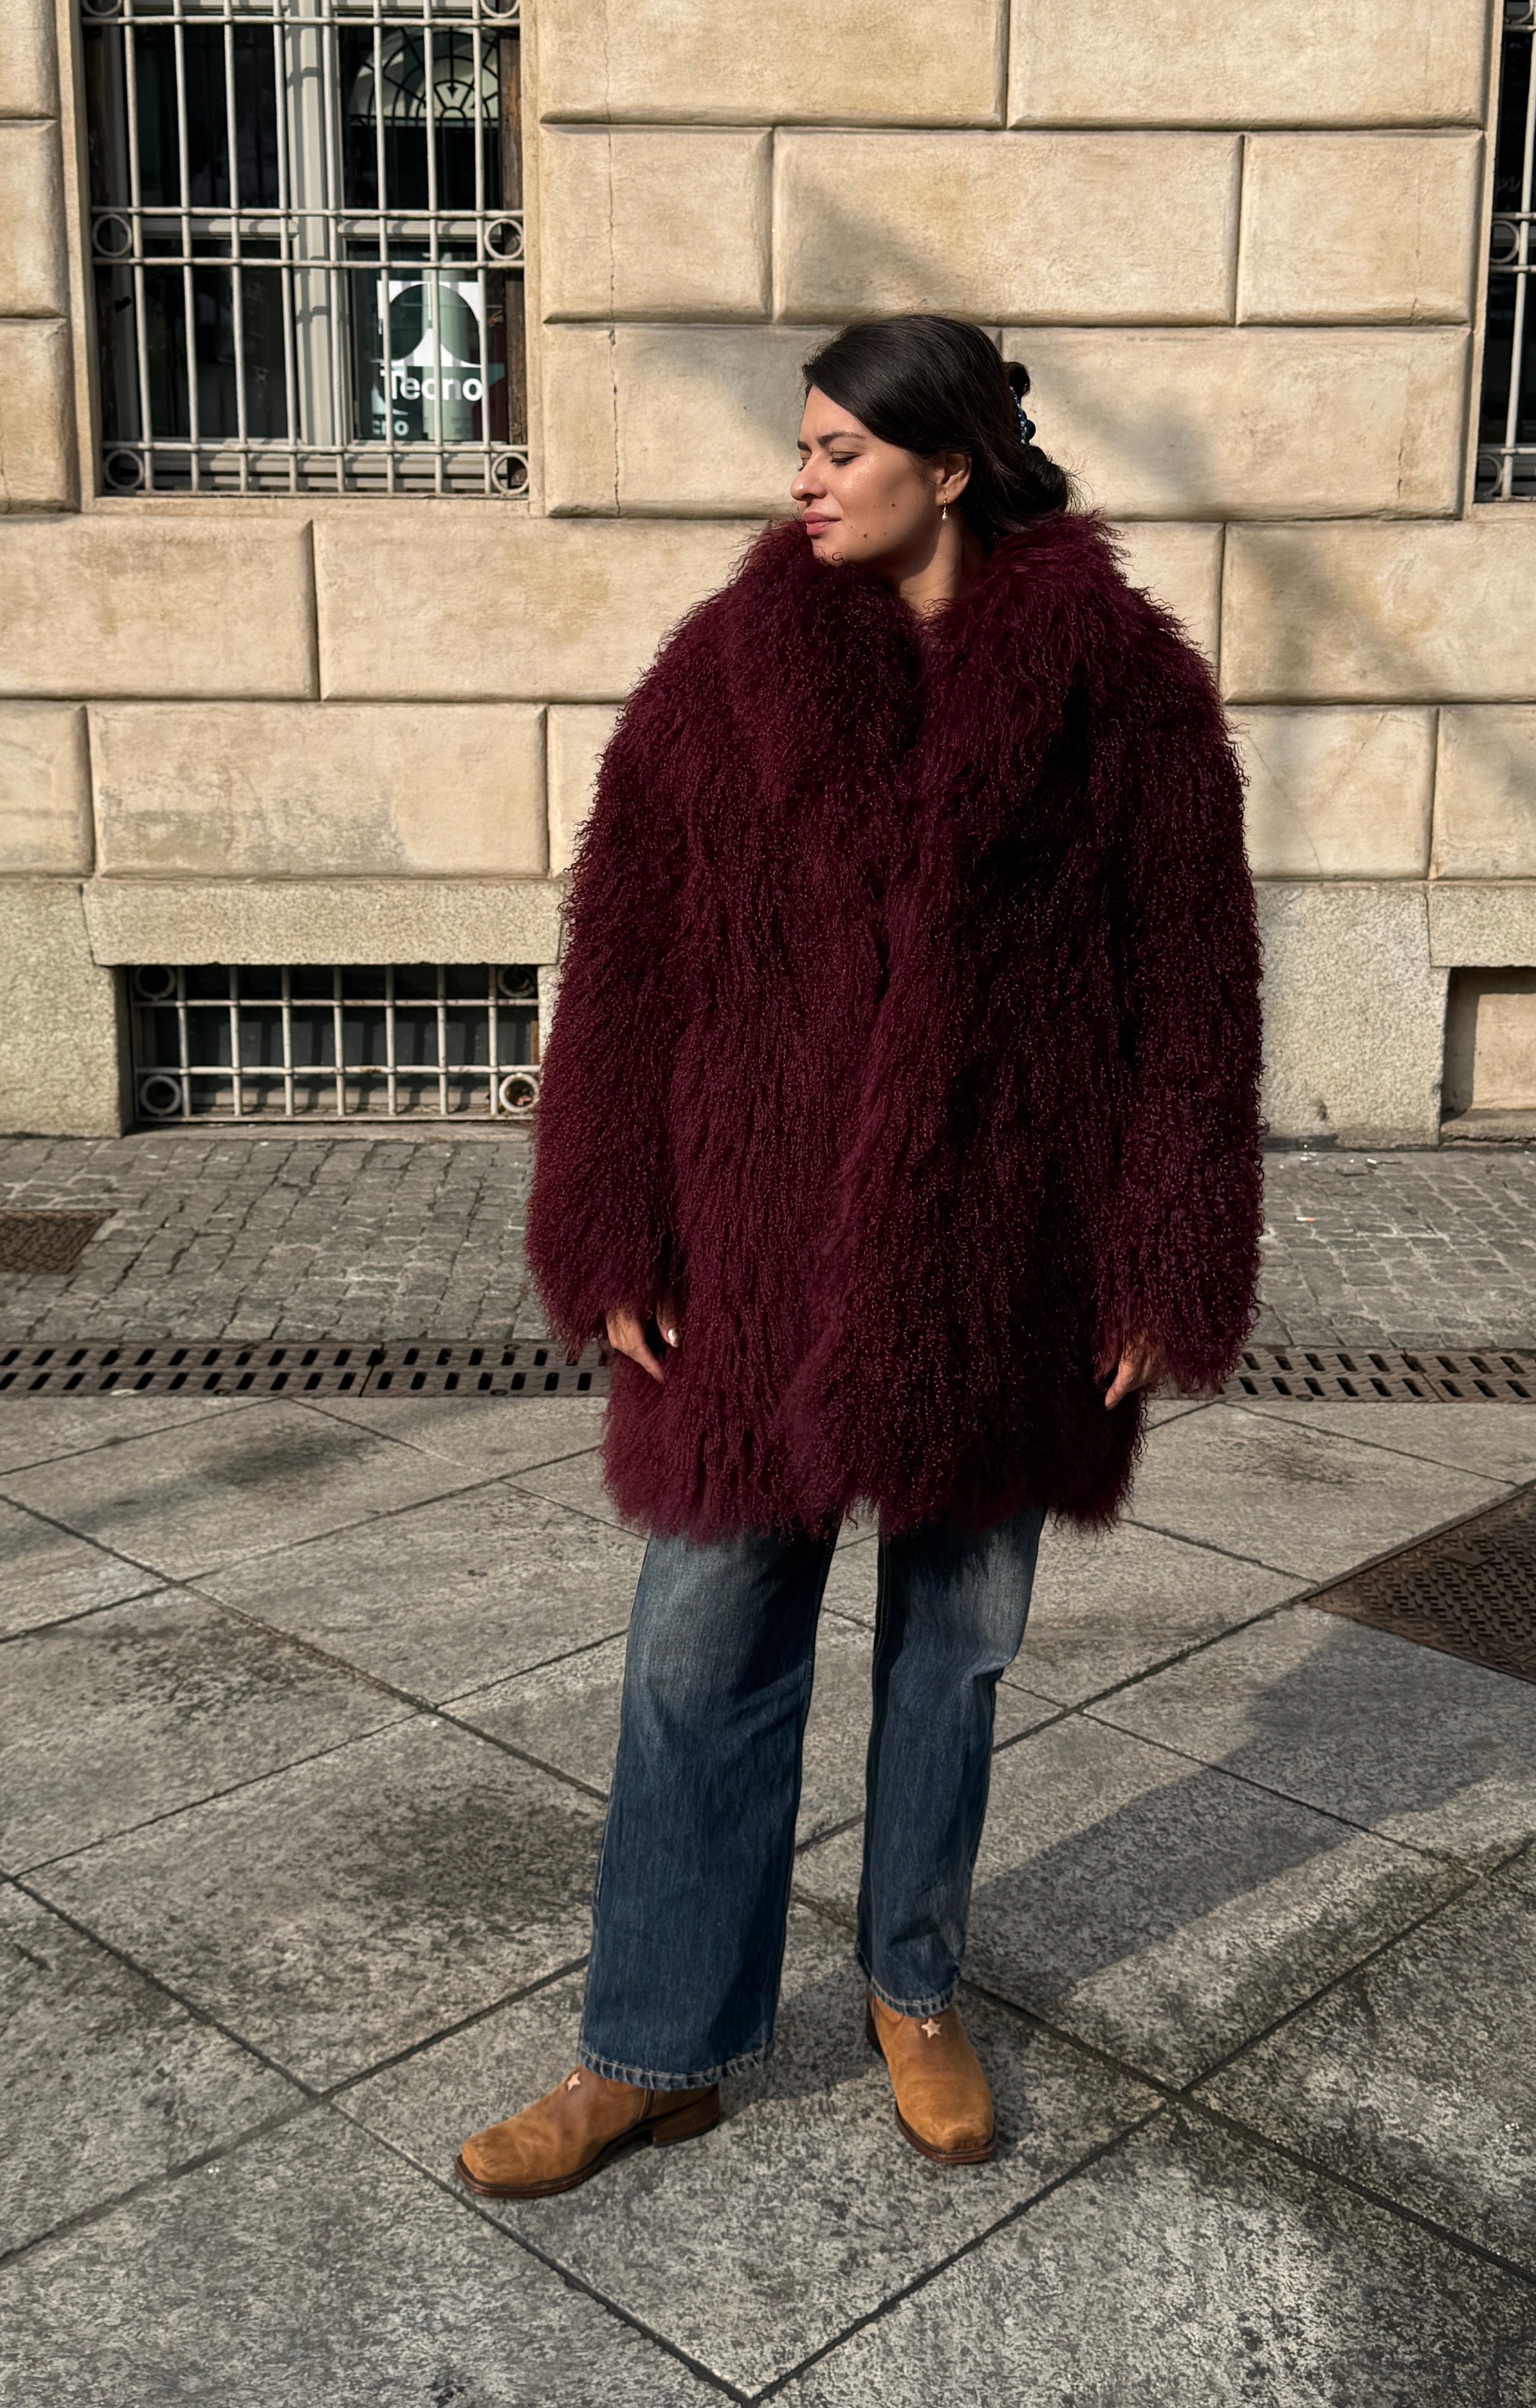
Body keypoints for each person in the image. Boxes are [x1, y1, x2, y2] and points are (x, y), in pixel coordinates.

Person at [458, 314, 1264, 2199]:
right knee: (697, 1653)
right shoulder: (726, 669)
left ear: (948, 467)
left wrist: (1163, 1261)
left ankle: (914, 1990)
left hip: (1006, 1245)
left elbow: (1191, 996)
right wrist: (609, 1215)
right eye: (803, 449)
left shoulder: (1127, 694)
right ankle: (650, 2050)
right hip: (751, 1236)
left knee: (953, 1656)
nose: (803, 483)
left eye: (839, 451)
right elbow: (625, 956)